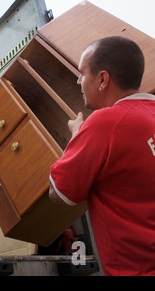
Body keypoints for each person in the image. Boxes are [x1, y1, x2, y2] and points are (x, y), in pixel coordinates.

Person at [49, 36, 155, 276]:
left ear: (103, 79)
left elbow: (58, 193)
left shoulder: (105, 122)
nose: (78, 81)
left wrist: (77, 134)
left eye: (82, 73)